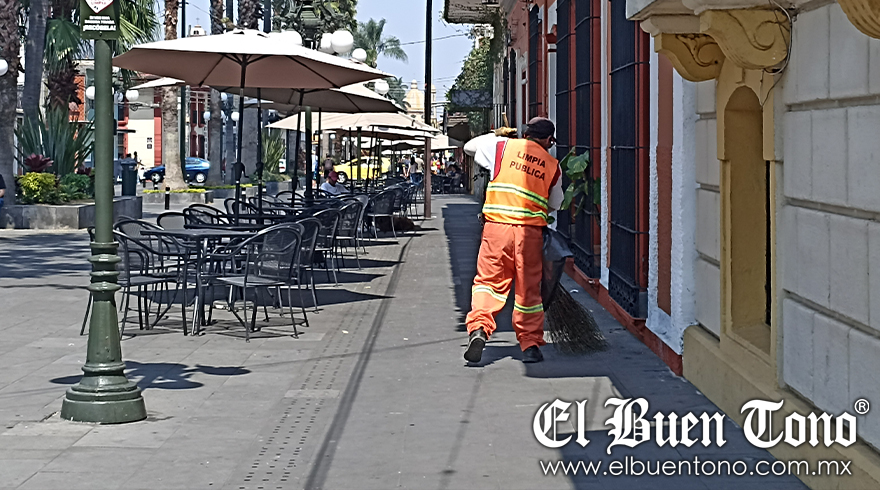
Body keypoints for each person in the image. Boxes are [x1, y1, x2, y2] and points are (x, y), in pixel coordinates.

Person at [462, 117, 563, 364]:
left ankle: (479, 329)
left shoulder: (501, 148)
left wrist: (497, 134)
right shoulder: (552, 165)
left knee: (489, 282)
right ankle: (529, 345)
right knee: (528, 289)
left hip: (496, 230)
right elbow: (556, 204)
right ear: (549, 141)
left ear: (526, 134)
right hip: (529, 234)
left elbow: (469, 147)